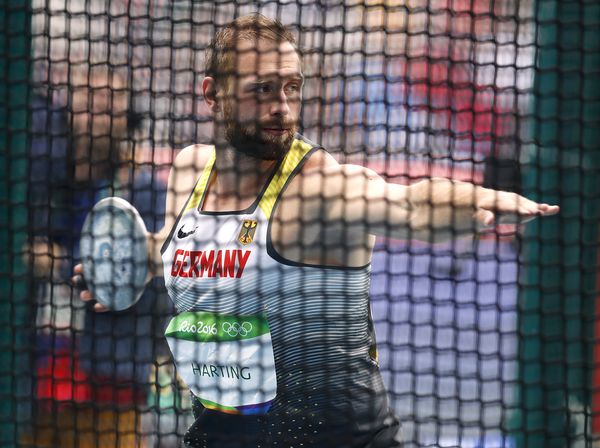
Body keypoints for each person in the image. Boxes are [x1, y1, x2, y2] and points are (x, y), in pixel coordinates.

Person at [74, 14, 559, 448]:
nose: (282, 107)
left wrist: (481, 198)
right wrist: (135, 261)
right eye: (261, 89)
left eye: (291, 88)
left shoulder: (319, 189)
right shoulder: (188, 172)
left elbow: (411, 205)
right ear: (212, 95)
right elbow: (186, 246)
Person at [24, 65, 171, 448]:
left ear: (128, 117)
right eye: (86, 97)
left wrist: (58, 264)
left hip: (109, 384)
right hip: (38, 377)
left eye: (109, 100)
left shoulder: (144, 195)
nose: (95, 109)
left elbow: (148, 282)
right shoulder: (50, 181)